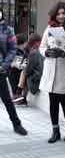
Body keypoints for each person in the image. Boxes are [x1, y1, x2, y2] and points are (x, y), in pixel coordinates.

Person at [39, 2, 65, 143]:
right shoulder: (49, 28)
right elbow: (42, 47)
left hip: (64, 70)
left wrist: (64, 53)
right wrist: (47, 52)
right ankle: (55, 131)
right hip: (50, 69)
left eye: (63, 13)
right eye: (58, 13)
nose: (61, 16)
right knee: (53, 102)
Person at [0, 8, 28, 136]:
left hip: (1, 69)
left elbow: (12, 50)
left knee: (7, 99)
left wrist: (4, 66)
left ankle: (17, 124)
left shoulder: (8, 30)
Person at [13, 33, 44, 106]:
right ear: (37, 42)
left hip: (36, 81)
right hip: (37, 78)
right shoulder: (34, 52)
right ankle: (21, 95)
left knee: (24, 72)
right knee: (23, 71)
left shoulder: (34, 53)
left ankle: (19, 93)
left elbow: (27, 70)